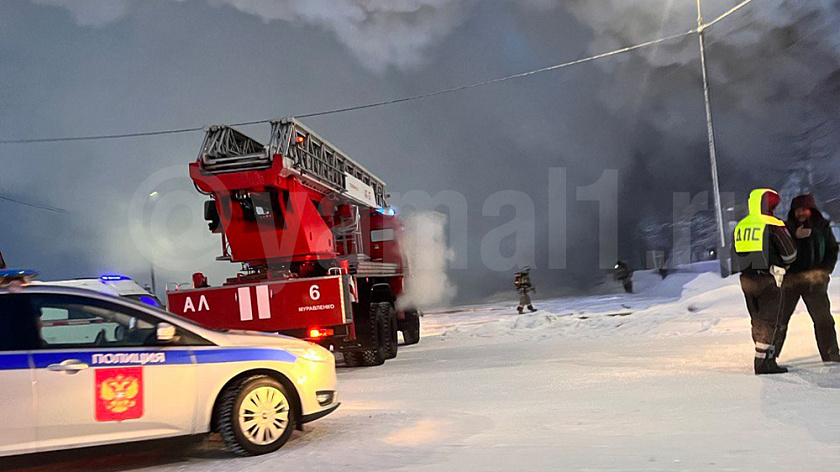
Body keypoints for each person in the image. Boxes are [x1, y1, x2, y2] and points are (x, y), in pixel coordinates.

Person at [731, 188, 797, 375]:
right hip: (769, 277)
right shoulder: (772, 223)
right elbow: (790, 253)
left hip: (746, 278)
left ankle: (764, 357)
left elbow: (736, 253)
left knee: (757, 319)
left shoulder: (742, 225)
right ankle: (763, 363)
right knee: (769, 319)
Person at [774, 194, 840, 362]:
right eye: (797, 210)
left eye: (804, 209)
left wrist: (825, 271)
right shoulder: (786, 228)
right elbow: (781, 251)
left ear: (811, 210)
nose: (800, 213)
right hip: (791, 281)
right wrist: (795, 236)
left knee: (823, 319)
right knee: (780, 320)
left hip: (814, 281)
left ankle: (831, 354)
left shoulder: (822, 227)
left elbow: (832, 249)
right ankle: (769, 356)